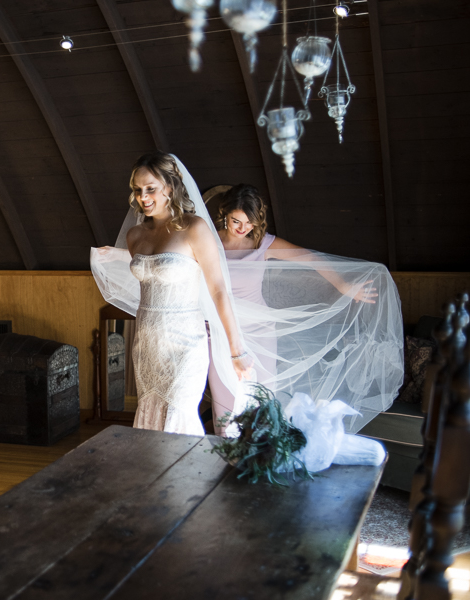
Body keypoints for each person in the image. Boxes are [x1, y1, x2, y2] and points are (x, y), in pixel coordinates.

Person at [208, 184, 403, 433]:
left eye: (250, 223)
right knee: (225, 403)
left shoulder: (262, 244)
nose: (242, 228)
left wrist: (343, 285)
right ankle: (227, 457)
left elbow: (308, 257)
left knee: (262, 400)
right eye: (236, 221)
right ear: (225, 214)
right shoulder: (208, 243)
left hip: (260, 331)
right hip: (219, 332)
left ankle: (263, 455)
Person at [91, 152, 251, 435]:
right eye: (138, 190)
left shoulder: (194, 229)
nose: (143, 197)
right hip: (148, 343)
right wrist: (112, 255)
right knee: (150, 415)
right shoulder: (135, 235)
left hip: (185, 343)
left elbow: (218, 291)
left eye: (150, 188)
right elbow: (149, 269)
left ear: (170, 187)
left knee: (178, 413)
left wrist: (236, 351)